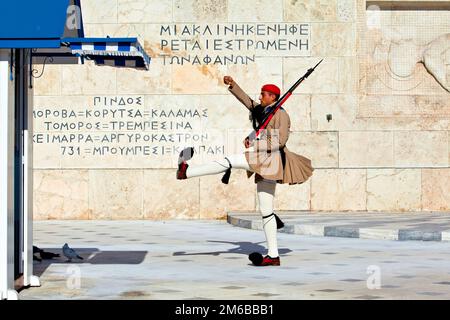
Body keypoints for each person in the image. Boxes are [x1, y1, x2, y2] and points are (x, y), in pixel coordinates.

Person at [176, 76, 314, 266]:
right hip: (266, 162)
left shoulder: (281, 114)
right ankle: (273, 256)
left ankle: (186, 172)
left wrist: (256, 143)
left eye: (263, 94)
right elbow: (247, 101)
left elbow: (280, 141)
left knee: (229, 161)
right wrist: (233, 85)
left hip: (269, 159)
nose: (260, 96)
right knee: (266, 212)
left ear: (273, 96)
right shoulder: (264, 110)